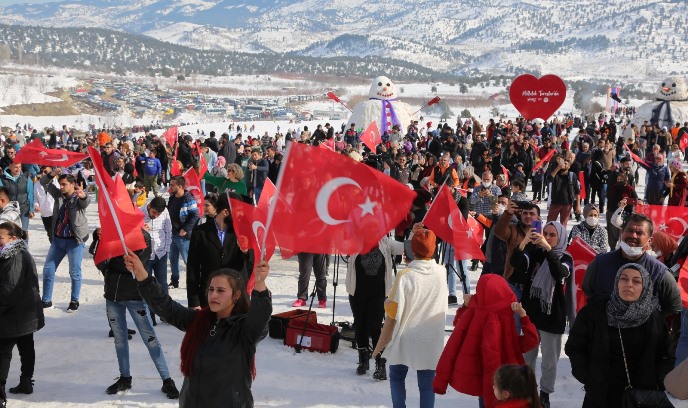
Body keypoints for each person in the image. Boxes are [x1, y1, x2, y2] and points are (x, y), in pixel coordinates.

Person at [124, 250, 272, 408]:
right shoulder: (199, 320)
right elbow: (166, 307)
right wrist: (141, 274)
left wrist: (260, 285)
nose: (213, 295)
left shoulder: (243, 330)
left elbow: (259, 319)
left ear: (236, 295)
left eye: (220, 290)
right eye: (211, 289)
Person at [565, 263, 675, 407]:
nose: (629, 284)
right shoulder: (593, 312)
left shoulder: (655, 318)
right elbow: (575, 347)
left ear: (645, 287)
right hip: (601, 396)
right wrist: (588, 376)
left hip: (641, 399)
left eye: (636, 281)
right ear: (617, 282)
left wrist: (658, 382)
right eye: (624, 279)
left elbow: (666, 354)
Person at [96, 229, 179, 399]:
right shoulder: (111, 231)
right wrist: (99, 240)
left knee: (150, 338)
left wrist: (112, 257)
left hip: (135, 296)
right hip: (112, 295)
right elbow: (100, 262)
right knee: (120, 339)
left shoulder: (143, 236)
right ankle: (125, 378)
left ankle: (167, 380)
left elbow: (133, 266)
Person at [433, 275, 539, 408]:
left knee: (484, 397)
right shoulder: (504, 317)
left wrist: (465, 306)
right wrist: (523, 316)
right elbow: (531, 341)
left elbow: (457, 323)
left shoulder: (475, 312)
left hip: (482, 378)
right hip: (505, 380)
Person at [372, 225, 448, 408]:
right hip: (431, 336)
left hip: (406, 335)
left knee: (397, 377)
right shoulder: (441, 272)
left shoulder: (405, 275)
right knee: (427, 385)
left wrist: (386, 302)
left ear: (412, 250)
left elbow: (392, 311)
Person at [509, 221, 572, 407]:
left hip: (553, 316)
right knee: (527, 357)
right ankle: (527, 391)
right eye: (546, 233)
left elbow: (558, 273)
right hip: (532, 314)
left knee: (549, 361)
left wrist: (549, 250)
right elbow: (516, 263)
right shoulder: (535, 253)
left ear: (561, 237)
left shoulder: (566, 257)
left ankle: (545, 394)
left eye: (553, 235)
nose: (548, 237)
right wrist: (523, 243)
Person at [583, 213, 682, 316]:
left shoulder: (659, 272)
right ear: (621, 233)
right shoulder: (600, 263)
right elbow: (588, 290)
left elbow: (674, 307)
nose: (633, 235)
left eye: (639, 233)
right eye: (629, 230)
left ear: (650, 241)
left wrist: (649, 318)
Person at [345, 235, 404, 379]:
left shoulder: (385, 242)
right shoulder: (354, 240)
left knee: (375, 327)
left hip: (378, 294)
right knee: (360, 325)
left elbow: (405, 248)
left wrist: (415, 233)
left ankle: (380, 364)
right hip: (357, 293)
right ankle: (363, 360)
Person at [0, 223, 43, 406]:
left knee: (3, 352)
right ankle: (26, 383)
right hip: (25, 312)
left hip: (15, 314)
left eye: (1, 237)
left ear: (13, 238)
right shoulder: (12, 253)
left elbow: (9, 289)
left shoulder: (14, 256)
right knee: (26, 347)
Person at [187, 194, 252, 309]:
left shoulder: (244, 230)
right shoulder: (200, 232)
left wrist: (246, 252)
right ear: (225, 212)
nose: (241, 214)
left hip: (237, 298)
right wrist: (194, 302)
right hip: (211, 298)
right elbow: (193, 269)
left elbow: (253, 264)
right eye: (238, 211)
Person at [40, 169, 90, 311]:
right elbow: (44, 182)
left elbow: (85, 202)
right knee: (48, 270)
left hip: (74, 241)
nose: (61, 187)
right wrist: (52, 173)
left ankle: (74, 300)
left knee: (74, 272)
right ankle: (46, 300)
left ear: (72, 184)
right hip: (58, 240)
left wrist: (83, 196)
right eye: (60, 184)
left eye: (64, 184)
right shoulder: (58, 195)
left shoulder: (78, 197)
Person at [141, 196, 172, 323]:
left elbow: (168, 231)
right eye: (154, 212)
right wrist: (140, 230)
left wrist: (166, 249)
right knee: (147, 286)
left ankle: (166, 314)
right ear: (149, 206)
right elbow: (132, 233)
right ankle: (150, 315)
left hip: (161, 254)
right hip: (146, 256)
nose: (156, 215)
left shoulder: (165, 212)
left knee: (162, 284)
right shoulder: (139, 212)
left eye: (158, 214)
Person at [167, 175, 200, 289]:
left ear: (180, 186)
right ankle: (174, 281)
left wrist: (185, 229)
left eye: (172, 185)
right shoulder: (172, 197)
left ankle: (194, 282)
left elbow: (195, 215)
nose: (170, 187)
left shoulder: (188, 199)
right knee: (173, 259)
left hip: (183, 236)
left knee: (188, 261)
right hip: (172, 234)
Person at [0, 161, 34, 232]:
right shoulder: (2, 179)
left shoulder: (26, 178)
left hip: (23, 209)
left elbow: (30, 194)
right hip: (8, 210)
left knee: (23, 231)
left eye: (19, 167)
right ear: (10, 167)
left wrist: (31, 209)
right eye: (16, 167)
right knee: (9, 231)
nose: (18, 169)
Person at [33, 166, 58, 243]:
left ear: (52, 172)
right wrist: (36, 205)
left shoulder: (57, 182)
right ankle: (54, 247)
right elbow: (35, 197)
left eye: (46, 172)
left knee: (58, 233)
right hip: (45, 213)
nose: (43, 174)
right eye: (42, 172)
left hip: (57, 212)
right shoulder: (37, 184)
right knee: (50, 234)